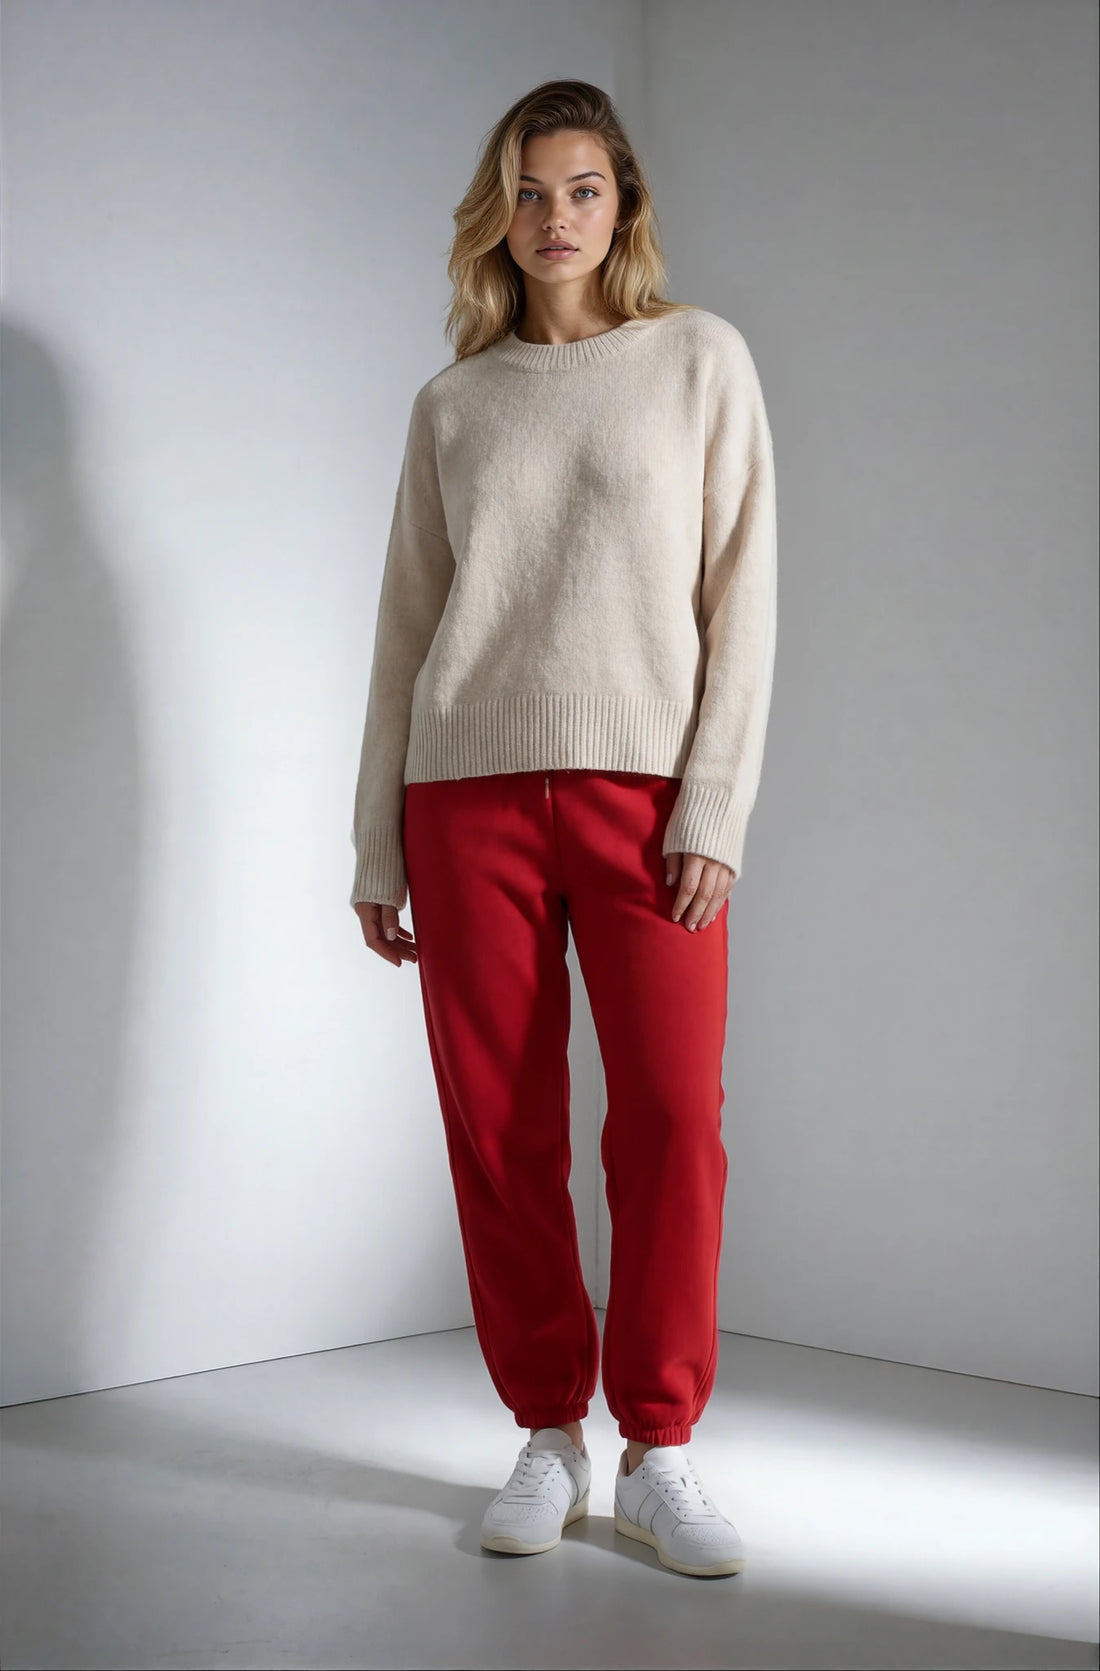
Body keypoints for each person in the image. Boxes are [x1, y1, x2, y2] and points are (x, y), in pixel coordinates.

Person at [349, 79, 777, 1581]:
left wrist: (713, 800)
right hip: (464, 797)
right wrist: (377, 841)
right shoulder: (452, 404)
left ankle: (660, 1447)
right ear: (500, 212)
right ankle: (549, 1429)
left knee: (669, 1119)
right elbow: (406, 633)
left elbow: (744, 594)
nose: (554, 219)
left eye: (582, 190)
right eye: (529, 192)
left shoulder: (700, 361)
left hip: (643, 799)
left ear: (624, 205)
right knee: (500, 1130)